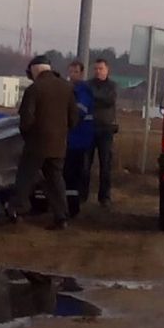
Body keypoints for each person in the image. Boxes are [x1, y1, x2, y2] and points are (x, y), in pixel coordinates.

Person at [11, 55, 78, 229]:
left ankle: (18, 211)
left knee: (25, 178)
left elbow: (26, 121)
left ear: (35, 70)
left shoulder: (34, 89)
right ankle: (61, 217)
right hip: (58, 144)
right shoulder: (67, 87)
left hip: (36, 144)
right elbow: (74, 119)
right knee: (56, 180)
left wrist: (28, 136)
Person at [65, 60, 96, 218]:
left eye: (75, 72)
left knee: (73, 173)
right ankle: (69, 204)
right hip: (71, 138)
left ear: (81, 73)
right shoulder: (70, 89)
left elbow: (79, 111)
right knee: (68, 173)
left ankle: (73, 207)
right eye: (70, 72)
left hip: (79, 138)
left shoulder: (83, 91)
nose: (72, 75)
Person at [87, 58, 119, 206]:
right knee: (85, 165)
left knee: (105, 165)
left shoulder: (112, 86)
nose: (98, 71)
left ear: (107, 70)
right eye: (96, 69)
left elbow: (109, 100)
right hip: (89, 128)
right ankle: (82, 195)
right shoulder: (88, 84)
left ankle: (104, 197)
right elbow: (86, 100)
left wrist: (93, 97)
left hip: (106, 130)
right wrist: (94, 97)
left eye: (101, 69)